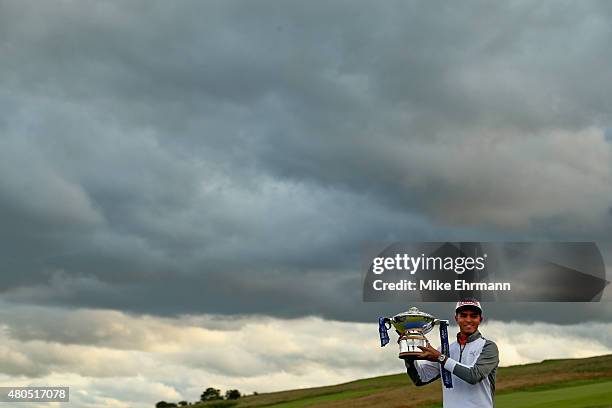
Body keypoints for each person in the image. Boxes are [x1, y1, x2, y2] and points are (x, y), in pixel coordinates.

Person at [405, 299, 499, 408]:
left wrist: (441, 358)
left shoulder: (488, 346)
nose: (468, 320)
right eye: (463, 315)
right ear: (456, 318)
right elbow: (420, 379)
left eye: (473, 316)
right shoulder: (445, 350)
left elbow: (474, 376)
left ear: (480, 319)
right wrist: (408, 354)